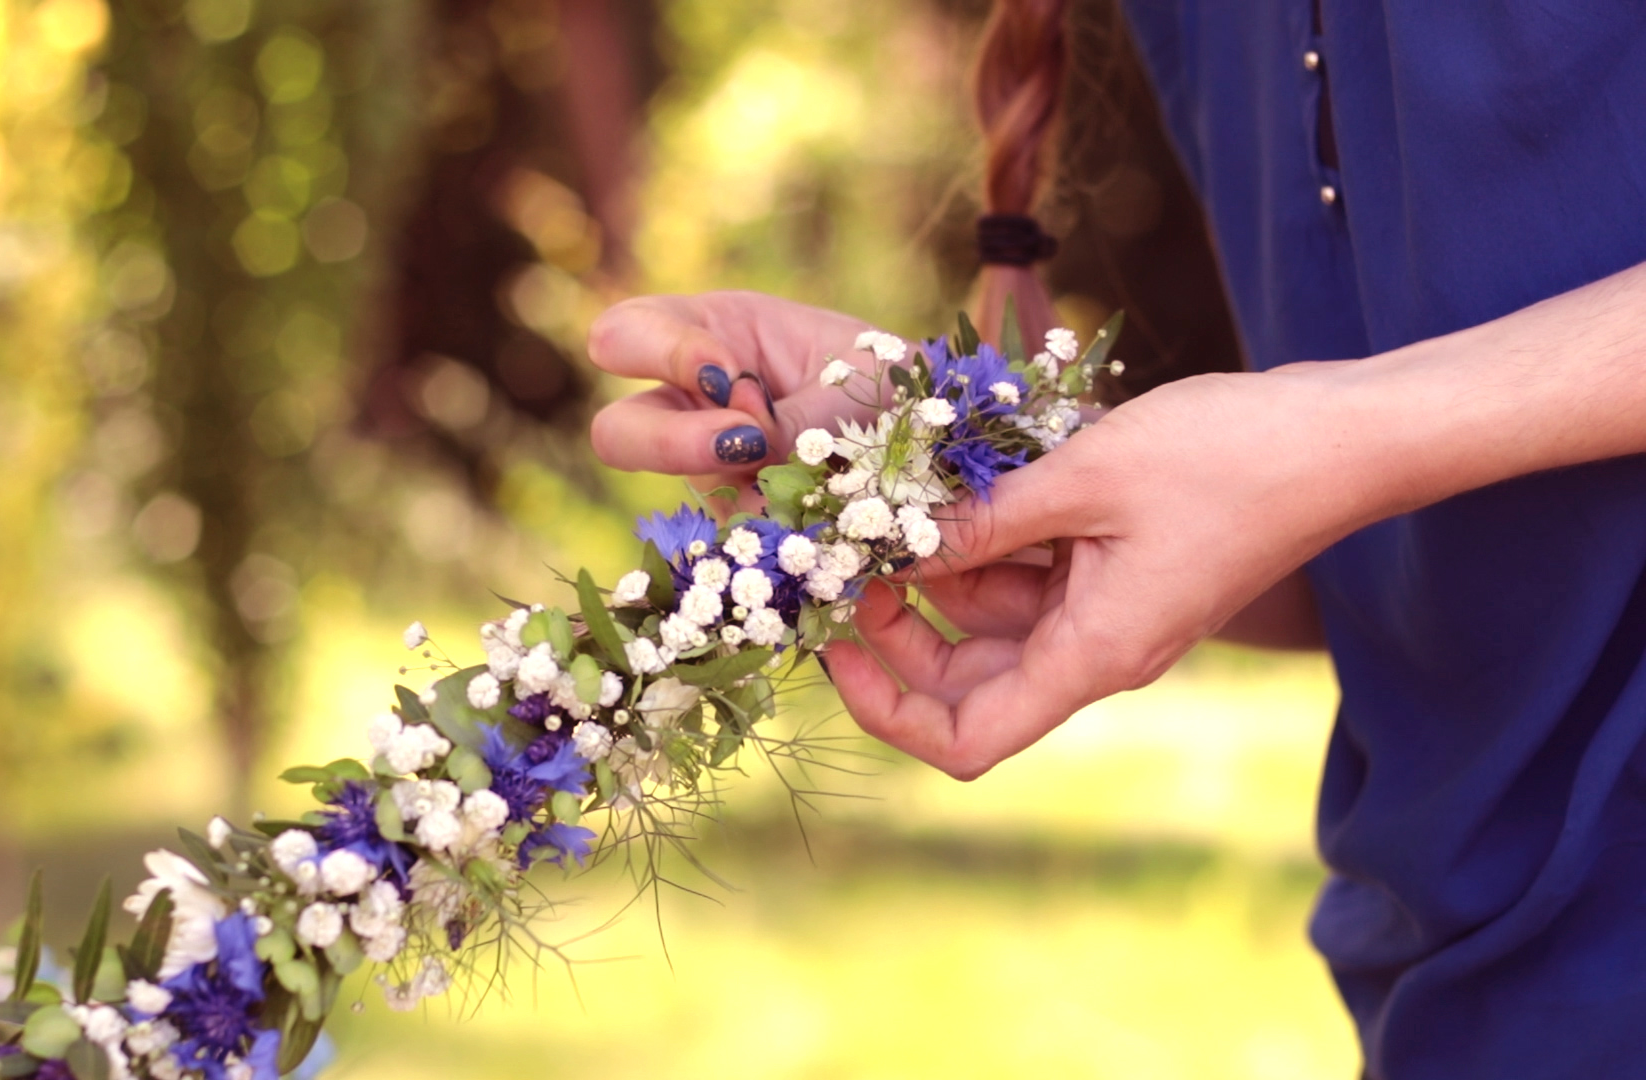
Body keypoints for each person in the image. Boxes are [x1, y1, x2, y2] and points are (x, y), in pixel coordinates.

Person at [585, 2, 1646, 1077]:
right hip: (1452, 996)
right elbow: (1427, 574)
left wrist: (1339, 438)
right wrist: (1012, 472)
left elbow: (1363, 442)